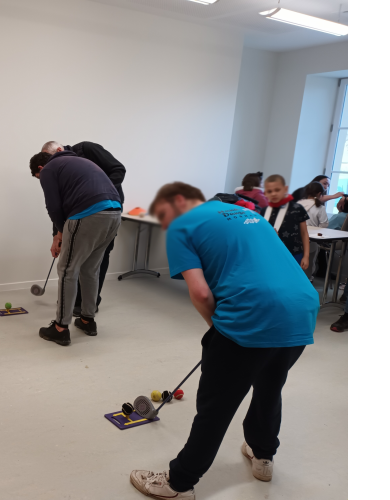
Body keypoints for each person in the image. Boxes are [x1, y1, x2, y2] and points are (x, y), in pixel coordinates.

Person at [129, 182, 318, 500]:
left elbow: (201, 293)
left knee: (216, 406)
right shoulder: (250, 215)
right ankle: (263, 456)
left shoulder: (181, 227)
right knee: (269, 387)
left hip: (253, 311)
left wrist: (220, 331)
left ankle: (179, 482)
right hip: (302, 309)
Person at [29, 150, 122, 346]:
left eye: (38, 177)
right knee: (90, 269)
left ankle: (60, 328)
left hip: (88, 213)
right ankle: (88, 320)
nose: (41, 180)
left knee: (67, 270)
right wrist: (61, 233)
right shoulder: (77, 161)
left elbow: (54, 206)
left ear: (40, 168)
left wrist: (62, 233)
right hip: (114, 214)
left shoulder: (49, 169)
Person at [41, 141, 126, 317]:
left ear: (59, 150)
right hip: (85, 211)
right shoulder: (62, 168)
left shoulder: (86, 149)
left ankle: (88, 304)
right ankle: (77, 304)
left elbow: (118, 169)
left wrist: (100, 189)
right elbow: (60, 204)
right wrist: (57, 235)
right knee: (81, 261)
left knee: (96, 259)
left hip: (105, 208)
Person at [261, 175, 311, 271]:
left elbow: (304, 233)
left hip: (294, 254)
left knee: (292, 278)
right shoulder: (264, 211)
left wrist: (306, 256)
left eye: (277, 190)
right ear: (265, 193)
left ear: (285, 189)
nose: (273, 194)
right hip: (271, 254)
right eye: (269, 191)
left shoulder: (297, 208)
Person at [298, 182, 329, 281]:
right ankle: (308, 280)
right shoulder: (320, 207)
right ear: (319, 193)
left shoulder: (298, 204)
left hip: (296, 238)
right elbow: (324, 224)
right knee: (310, 262)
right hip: (312, 239)